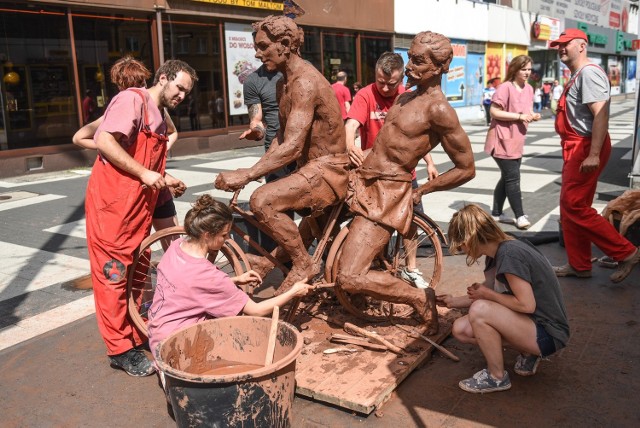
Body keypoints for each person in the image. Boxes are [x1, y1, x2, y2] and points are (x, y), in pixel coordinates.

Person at [336, 31, 476, 335]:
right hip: (362, 179)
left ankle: (419, 298)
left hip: (387, 195)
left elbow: (467, 168)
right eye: (409, 56)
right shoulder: (404, 96)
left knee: (348, 276)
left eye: (417, 60)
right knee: (310, 206)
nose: (409, 65)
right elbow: (384, 143)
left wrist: (423, 189)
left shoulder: (439, 110)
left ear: (439, 67)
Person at [215, 15, 350, 293]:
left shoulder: (304, 82)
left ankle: (303, 264)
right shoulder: (283, 83)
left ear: (286, 44)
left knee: (262, 200)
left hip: (328, 170)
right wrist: (253, 170)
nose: (257, 52)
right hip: (311, 167)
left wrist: (248, 175)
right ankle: (269, 264)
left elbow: (294, 146)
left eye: (264, 46)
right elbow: (281, 137)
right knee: (298, 218)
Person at [85, 59, 197, 377]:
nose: (182, 96)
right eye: (179, 88)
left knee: (138, 270)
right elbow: (104, 140)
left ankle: (135, 334)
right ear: (163, 78)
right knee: (114, 276)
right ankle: (120, 349)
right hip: (113, 210)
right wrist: (145, 172)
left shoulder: (160, 116)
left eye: (186, 93)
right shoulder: (132, 99)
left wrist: (165, 178)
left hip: (138, 210)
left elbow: (146, 162)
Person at [147, 194, 311, 360]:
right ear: (206, 235)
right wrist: (293, 292)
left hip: (157, 335)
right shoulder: (209, 276)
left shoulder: (176, 246)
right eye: (224, 235)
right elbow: (257, 310)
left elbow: (187, 285)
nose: (226, 240)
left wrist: (234, 280)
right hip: (178, 347)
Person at [441, 204, 570, 393]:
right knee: (461, 330)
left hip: (549, 333)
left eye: (460, 245)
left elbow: (526, 304)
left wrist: (487, 296)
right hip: (534, 324)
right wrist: (452, 301)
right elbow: (488, 290)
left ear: (469, 239)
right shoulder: (500, 250)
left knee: (479, 310)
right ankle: (528, 352)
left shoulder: (510, 255)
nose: (462, 250)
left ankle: (497, 377)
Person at [549, 28, 640, 282]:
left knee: (573, 205)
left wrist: (594, 154)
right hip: (578, 147)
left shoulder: (588, 73)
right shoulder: (579, 74)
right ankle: (579, 265)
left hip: (585, 147)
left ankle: (627, 252)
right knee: (573, 207)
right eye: (558, 45)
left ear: (582, 46)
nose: (560, 49)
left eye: (565, 44)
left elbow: (601, 115)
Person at [345, 51, 439, 288]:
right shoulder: (365, 94)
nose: (385, 88)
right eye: (381, 82)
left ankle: (411, 268)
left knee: (410, 222)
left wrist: (429, 162)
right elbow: (352, 124)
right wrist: (349, 144)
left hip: (406, 173)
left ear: (400, 78)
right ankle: (375, 267)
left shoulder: (407, 97)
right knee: (375, 224)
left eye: (391, 83)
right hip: (375, 174)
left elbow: (415, 136)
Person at [73, 57, 185, 235]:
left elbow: (166, 138)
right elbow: (87, 139)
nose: (137, 88)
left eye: (139, 82)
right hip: (135, 188)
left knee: (168, 240)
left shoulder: (155, 107)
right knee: (154, 242)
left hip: (151, 185)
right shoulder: (126, 103)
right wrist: (113, 147)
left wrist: (159, 156)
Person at [484, 55, 541, 230]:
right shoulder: (505, 88)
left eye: (529, 69)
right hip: (501, 140)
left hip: (517, 140)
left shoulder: (529, 89)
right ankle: (520, 215)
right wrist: (519, 117)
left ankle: (496, 212)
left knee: (507, 177)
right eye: (524, 69)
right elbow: (494, 112)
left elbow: (526, 109)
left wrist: (532, 115)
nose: (527, 73)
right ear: (515, 69)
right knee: (513, 178)